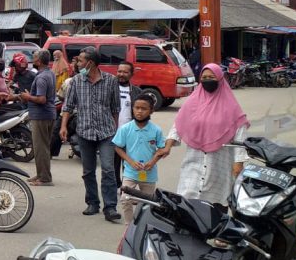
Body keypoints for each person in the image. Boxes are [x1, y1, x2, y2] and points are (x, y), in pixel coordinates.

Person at [163, 64, 249, 205]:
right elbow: (178, 125)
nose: (208, 80)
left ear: (220, 79)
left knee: (215, 206)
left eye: (211, 77)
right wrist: (168, 145)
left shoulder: (231, 106)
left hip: (219, 165)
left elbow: (240, 135)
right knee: (187, 203)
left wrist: (238, 162)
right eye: (204, 77)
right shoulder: (192, 102)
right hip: (193, 162)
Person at [60, 48, 122, 222]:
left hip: (106, 132)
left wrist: (116, 130)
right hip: (84, 131)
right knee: (88, 170)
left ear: (90, 63)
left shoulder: (111, 81)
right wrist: (63, 126)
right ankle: (93, 203)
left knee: (108, 169)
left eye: (80, 61)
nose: (77, 64)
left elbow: (115, 108)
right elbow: (68, 106)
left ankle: (110, 207)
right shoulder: (76, 81)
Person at [113, 94, 166, 222]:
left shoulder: (156, 130)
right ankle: (129, 226)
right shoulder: (125, 129)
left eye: (144, 108)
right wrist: (130, 161)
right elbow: (117, 147)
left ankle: (143, 226)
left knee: (148, 203)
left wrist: (153, 162)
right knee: (125, 198)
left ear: (151, 111)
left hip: (149, 173)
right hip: (130, 172)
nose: (139, 111)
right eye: (136, 108)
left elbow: (162, 149)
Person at [21, 50, 56, 186]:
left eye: (34, 58)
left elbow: (42, 99)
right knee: (43, 147)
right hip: (48, 114)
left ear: (39, 61)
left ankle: (45, 178)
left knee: (40, 148)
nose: (32, 60)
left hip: (41, 116)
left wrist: (28, 97)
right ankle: (41, 174)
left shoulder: (41, 77)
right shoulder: (49, 73)